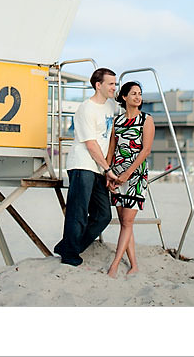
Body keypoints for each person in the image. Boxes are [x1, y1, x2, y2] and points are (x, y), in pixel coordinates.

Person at [53, 67, 119, 266]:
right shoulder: (86, 108)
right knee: (78, 211)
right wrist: (107, 169)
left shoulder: (110, 107)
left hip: (99, 167)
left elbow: (110, 138)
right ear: (98, 85)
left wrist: (106, 168)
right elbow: (91, 144)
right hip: (82, 164)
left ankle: (68, 246)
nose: (114, 88)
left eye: (115, 84)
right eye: (111, 84)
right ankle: (70, 255)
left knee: (103, 215)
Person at [105, 81, 154, 277]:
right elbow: (112, 149)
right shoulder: (117, 121)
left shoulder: (146, 119)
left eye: (140, 94)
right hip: (116, 174)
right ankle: (133, 265)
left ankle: (115, 265)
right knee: (125, 221)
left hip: (136, 175)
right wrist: (108, 173)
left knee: (127, 221)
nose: (138, 97)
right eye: (133, 93)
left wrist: (128, 174)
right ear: (124, 97)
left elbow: (146, 150)